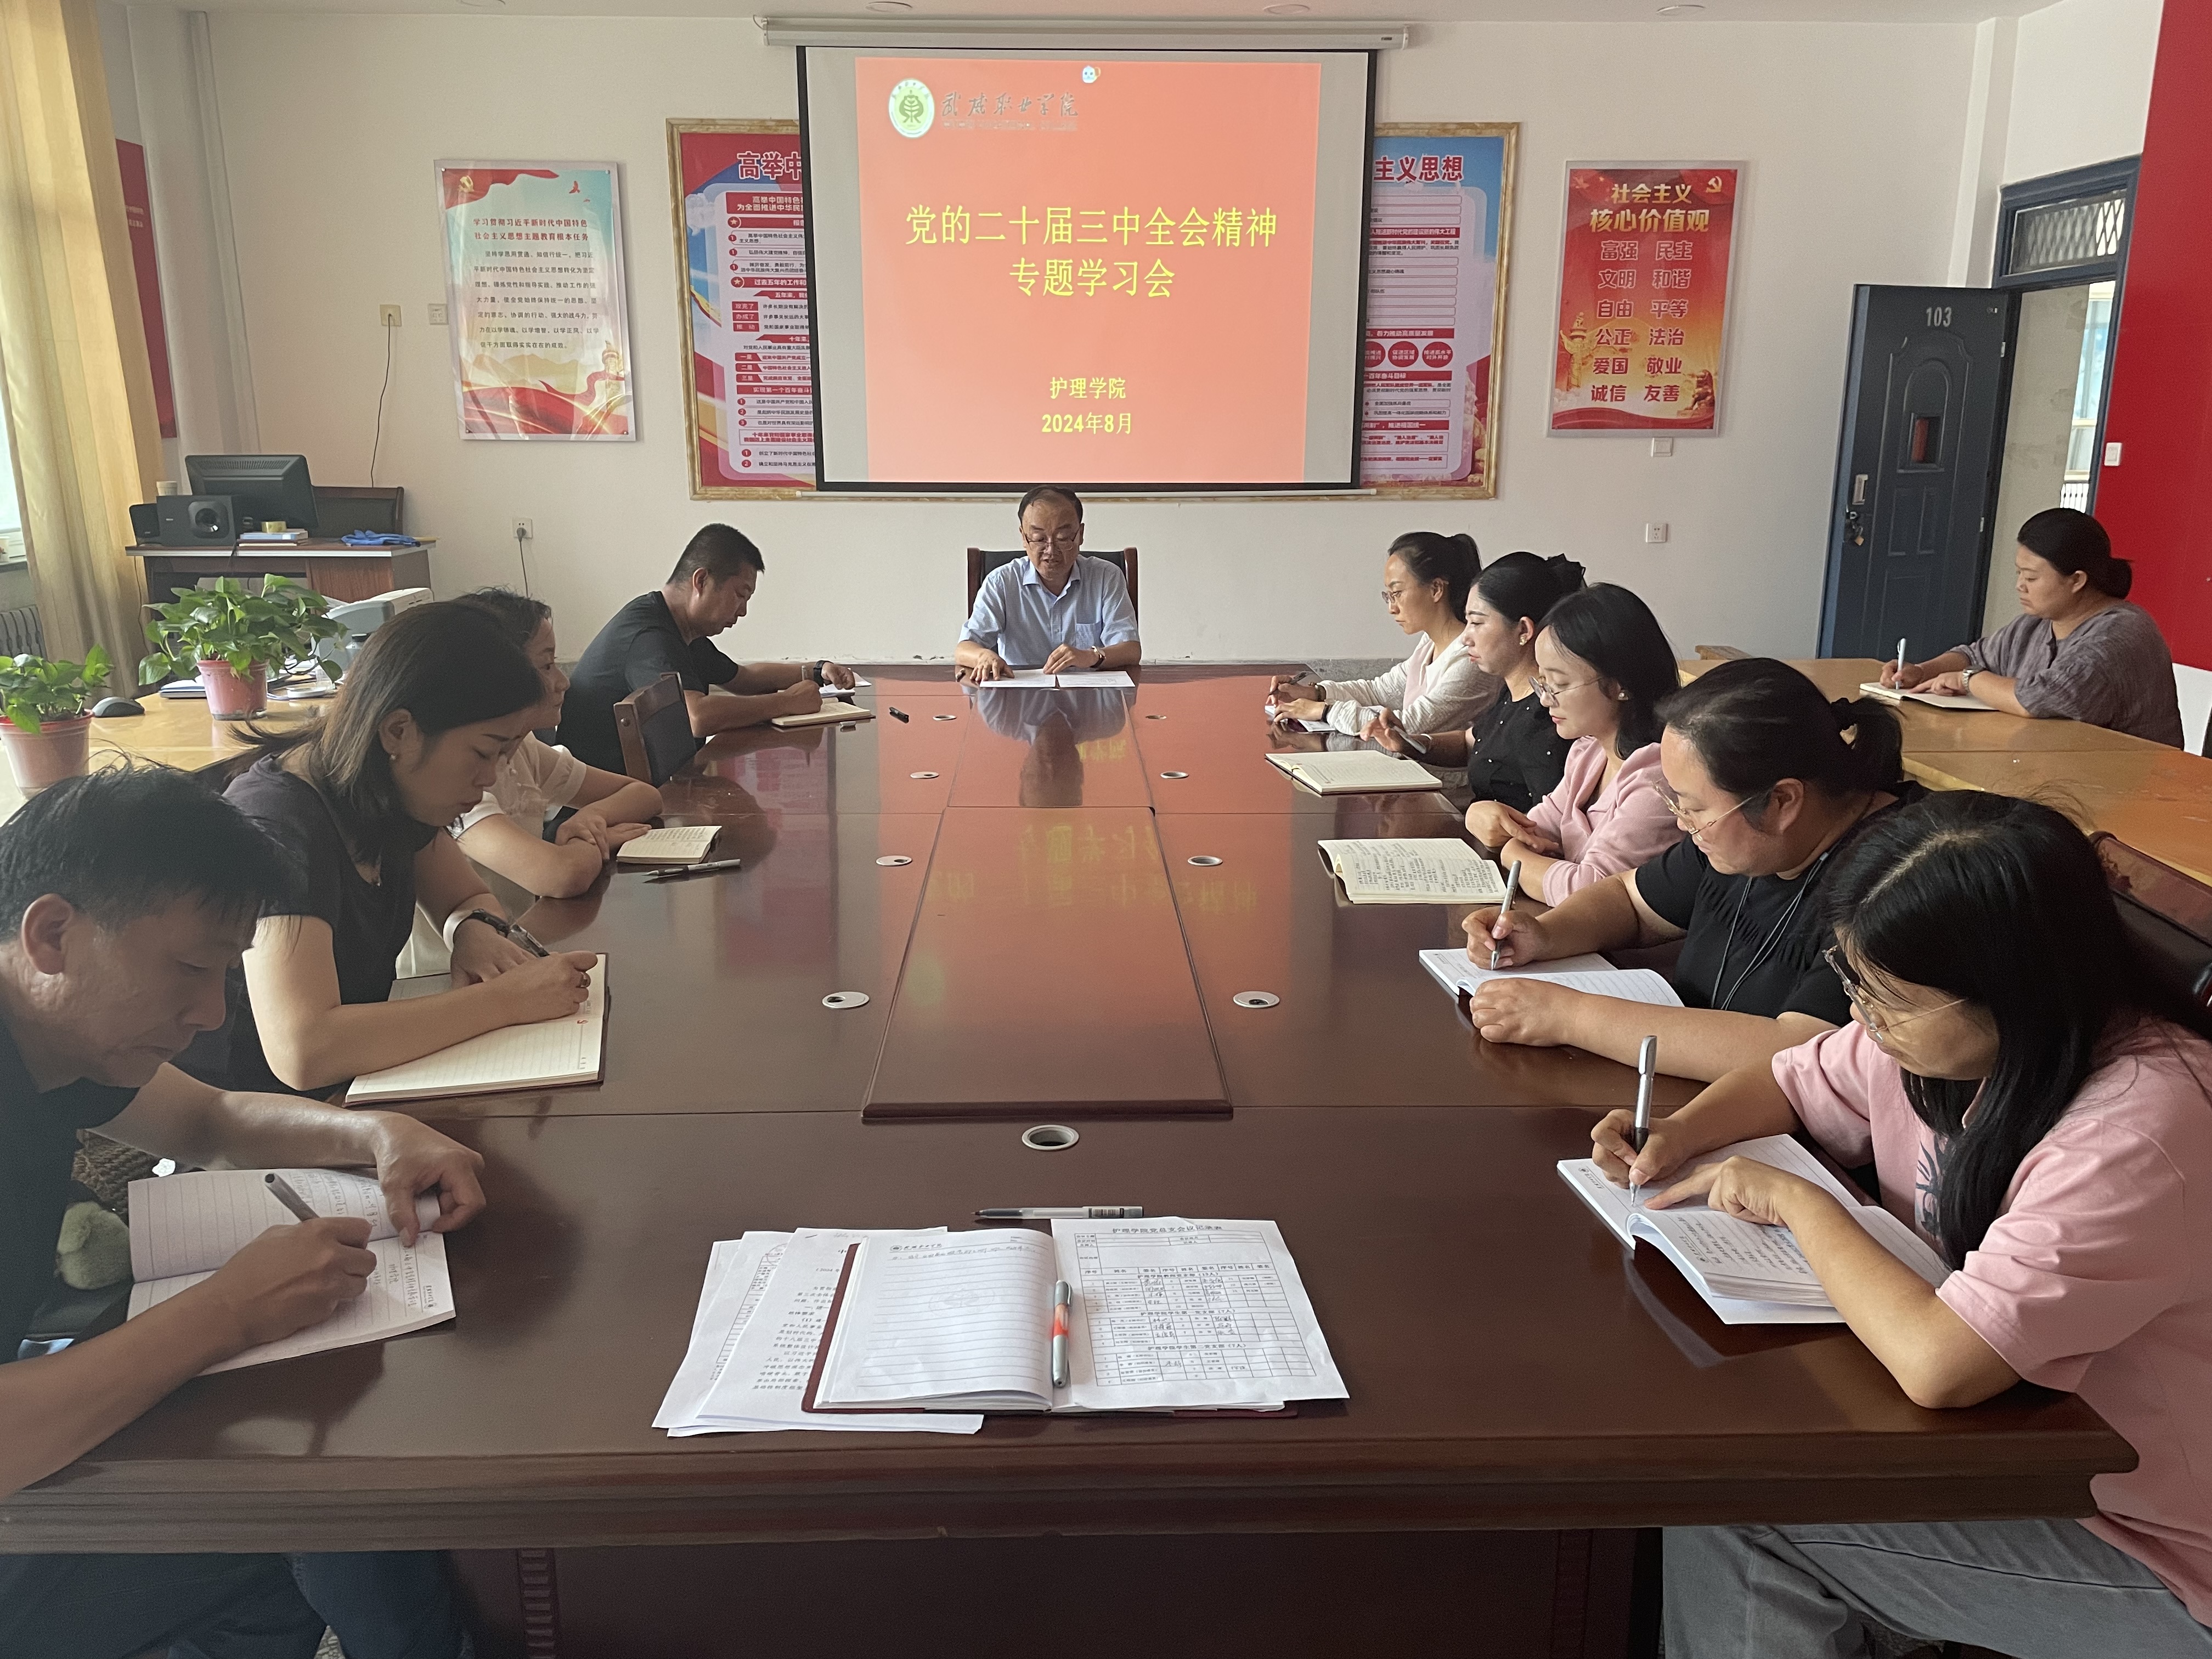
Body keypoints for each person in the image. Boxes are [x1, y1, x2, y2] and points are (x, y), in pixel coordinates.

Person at [1606, 792, 2212, 1658]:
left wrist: (1799, 1204)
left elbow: (1941, 1366)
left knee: (1740, 1505)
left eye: (1885, 997)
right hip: (2026, 1456)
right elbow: (1790, 1078)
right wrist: (1677, 1133)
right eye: (1853, 982)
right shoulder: (1945, 1036)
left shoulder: (2140, 1130)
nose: (1861, 1016)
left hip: (2150, 1545)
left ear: (2012, 987)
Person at [0, 765, 484, 1659]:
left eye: (224, 972)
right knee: (310, 1509)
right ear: (53, 933)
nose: (207, 1012)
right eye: (190, 968)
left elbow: (208, 1120)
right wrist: (228, 1309)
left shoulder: (55, 1035)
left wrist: (375, 1132)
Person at [185, 603, 597, 1097]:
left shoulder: (389, 793)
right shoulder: (280, 820)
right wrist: (507, 1001)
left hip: (362, 1085)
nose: (489, 778)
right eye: (483, 752)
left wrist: (473, 930)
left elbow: (466, 897)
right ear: (399, 731)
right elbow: (302, 1050)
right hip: (257, 1111)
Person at [1463, 659, 1923, 1082]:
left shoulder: (1899, 877)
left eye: (1694, 808)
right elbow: (1631, 900)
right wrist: (1546, 934)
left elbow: (1797, 1051)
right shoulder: (1747, 837)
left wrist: (1572, 1017)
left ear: (1782, 802)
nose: (1682, 824)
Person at [558, 524, 857, 771]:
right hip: (602, 803)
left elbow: (744, 678)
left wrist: (818, 670)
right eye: (740, 595)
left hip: (651, 787)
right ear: (701, 580)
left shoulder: (683, 629)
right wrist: (786, 702)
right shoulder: (650, 637)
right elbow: (697, 717)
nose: (743, 611)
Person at [1884, 507, 2184, 747]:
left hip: (2126, 785)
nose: (2020, 586)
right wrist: (1922, 672)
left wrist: (1967, 680)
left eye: (2031, 577)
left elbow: (2040, 698)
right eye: (2019, 574)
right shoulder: (2036, 624)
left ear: (2077, 580)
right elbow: (1975, 656)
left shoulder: (2121, 635)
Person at [1462, 583, 1679, 902]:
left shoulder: (1658, 778)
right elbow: (1535, 829)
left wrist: (1512, 853)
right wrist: (1486, 819)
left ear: (1620, 685)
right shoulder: (1588, 752)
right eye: (1543, 682)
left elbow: (1588, 893)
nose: (1545, 700)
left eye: (1560, 684)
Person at [450, 588, 663, 900]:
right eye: (547, 666)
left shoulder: (523, 749)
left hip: (526, 929)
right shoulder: (459, 779)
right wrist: (592, 842)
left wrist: (590, 819)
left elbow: (645, 795)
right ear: (498, 676)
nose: (564, 682)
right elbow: (563, 876)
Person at [1374, 550, 1583, 808]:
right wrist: (1410, 743)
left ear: (1523, 630)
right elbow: (1470, 742)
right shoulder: (1511, 692)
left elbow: (1549, 821)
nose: (1465, 638)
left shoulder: (1548, 714)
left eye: (1476, 623)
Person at [1268, 532, 1500, 741]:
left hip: (1439, 776)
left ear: (1436, 589)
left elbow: (1408, 725)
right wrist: (1316, 693)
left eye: (1397, 593)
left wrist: (1325, 711)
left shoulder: (1471, 658)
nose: (1392, 608)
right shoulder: (1430, 644)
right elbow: (1380, 692)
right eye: (1388, 596)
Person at [955, 487, 1141, 680]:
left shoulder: (1106, 577)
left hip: (1090, 694)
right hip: (1020, 695)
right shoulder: (1001, 582)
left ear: (1080, 534)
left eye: (1062, 538)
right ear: (1024, 537)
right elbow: (964, 648)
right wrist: (983, 656)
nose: (1051, 550)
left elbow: (1130, 650)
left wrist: (1090, 656)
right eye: (1039, 539)